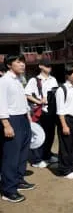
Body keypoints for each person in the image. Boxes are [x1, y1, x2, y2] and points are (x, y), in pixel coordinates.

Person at [0, 54, 35, 203]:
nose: (22, 65)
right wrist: (6, 124)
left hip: (22, 118)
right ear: (9, 65)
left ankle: (19, 180)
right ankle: (8, 190)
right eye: (19, 62)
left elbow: (22, 100)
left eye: (23, 62)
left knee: (23, 153)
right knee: (11, 156)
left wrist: (28, 117)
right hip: (11, 119)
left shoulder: (19, 80)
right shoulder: (4, 81)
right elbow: (1, 103)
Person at [25, 59, 59, 168]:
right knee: (40, 136)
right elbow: (26, 94)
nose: (49, 68)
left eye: (50, 66)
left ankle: (46, 155)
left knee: (50, 135)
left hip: (51, 111)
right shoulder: (34, 80)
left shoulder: (53, 79)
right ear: (40, 66)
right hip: (40, 112)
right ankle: (36, 160)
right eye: (47, 65)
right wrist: (39, 101)